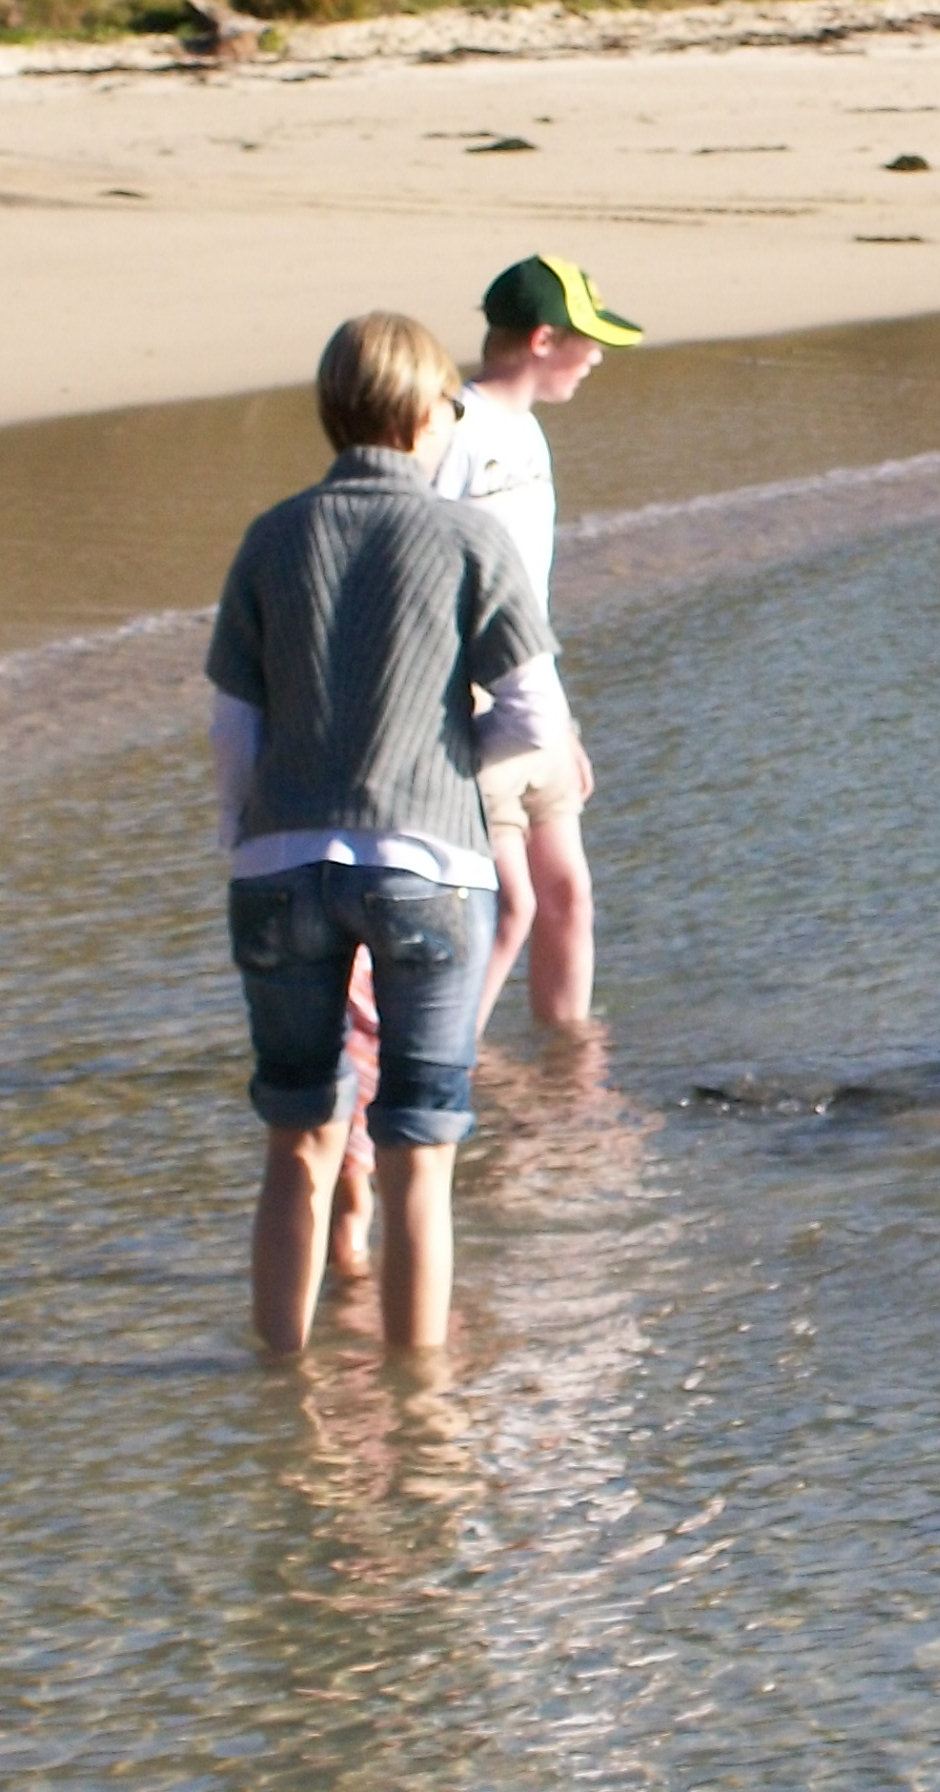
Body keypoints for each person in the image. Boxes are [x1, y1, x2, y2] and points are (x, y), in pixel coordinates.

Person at [208, 311, 569, 1354]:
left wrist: (248, 832)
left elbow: (234, 727)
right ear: (425, 416)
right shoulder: (469, 539)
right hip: (431, 866)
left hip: (281, 864)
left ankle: (281, 1388)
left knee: (298, 1140)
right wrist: (457, 775)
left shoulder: (271, 538)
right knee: (420, 1148)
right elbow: (536, 719)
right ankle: (420, 1416)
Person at [433, 253, 642, 1034]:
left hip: (536, 698)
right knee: (509, 909)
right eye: (587, 342)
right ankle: (438, 1069)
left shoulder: (529, 434)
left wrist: (565, 723)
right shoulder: (450, 430)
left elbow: (532, 598)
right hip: (477, 709)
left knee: (567, 898)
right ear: (543, 339)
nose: (597, 359)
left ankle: (569, 1075)